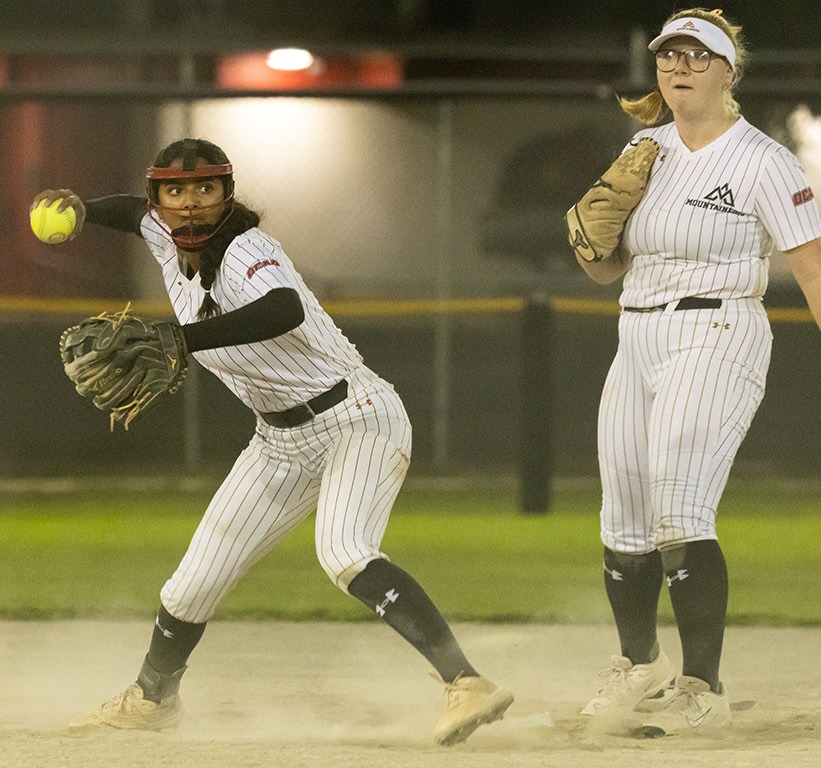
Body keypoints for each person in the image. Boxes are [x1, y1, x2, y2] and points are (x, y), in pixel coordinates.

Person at [31, 138, 514, 746]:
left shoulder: (246, 249)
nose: (189, 204)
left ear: (226, 195)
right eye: (174, 191)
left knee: (344, 551)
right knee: (192, 582)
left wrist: (182, 338)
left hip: (357, 418)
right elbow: (132, 213)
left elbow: (283, 309)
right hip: (277, 442)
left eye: (205, 189)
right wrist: (82, 207)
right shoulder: (163, 231)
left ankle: (466, 682)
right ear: (160, 199)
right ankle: (152, 700)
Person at [573, 9, 821, 737]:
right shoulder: (644, 150)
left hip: (718, 330)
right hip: (636, 333)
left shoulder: (763, 161)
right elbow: (608, 270)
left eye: (696, 56)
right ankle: (640, 663)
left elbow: (815, 271)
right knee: (624, 516)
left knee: (680, 508)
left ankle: (703, 688)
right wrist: (590, 243)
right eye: (668, 56)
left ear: (728, 72)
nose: (678, 67)